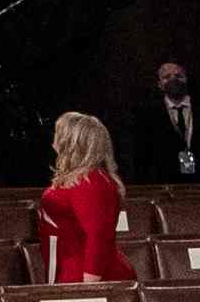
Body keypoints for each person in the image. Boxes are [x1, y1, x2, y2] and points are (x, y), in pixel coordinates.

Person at [33, 112, 130, 286]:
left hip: (85, 275)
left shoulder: (91, 181)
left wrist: (89, 286)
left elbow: (99, 236)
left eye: (58, 131)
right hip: (68, 268)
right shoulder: (80, 177)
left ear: (71, 141)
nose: (54, 137)